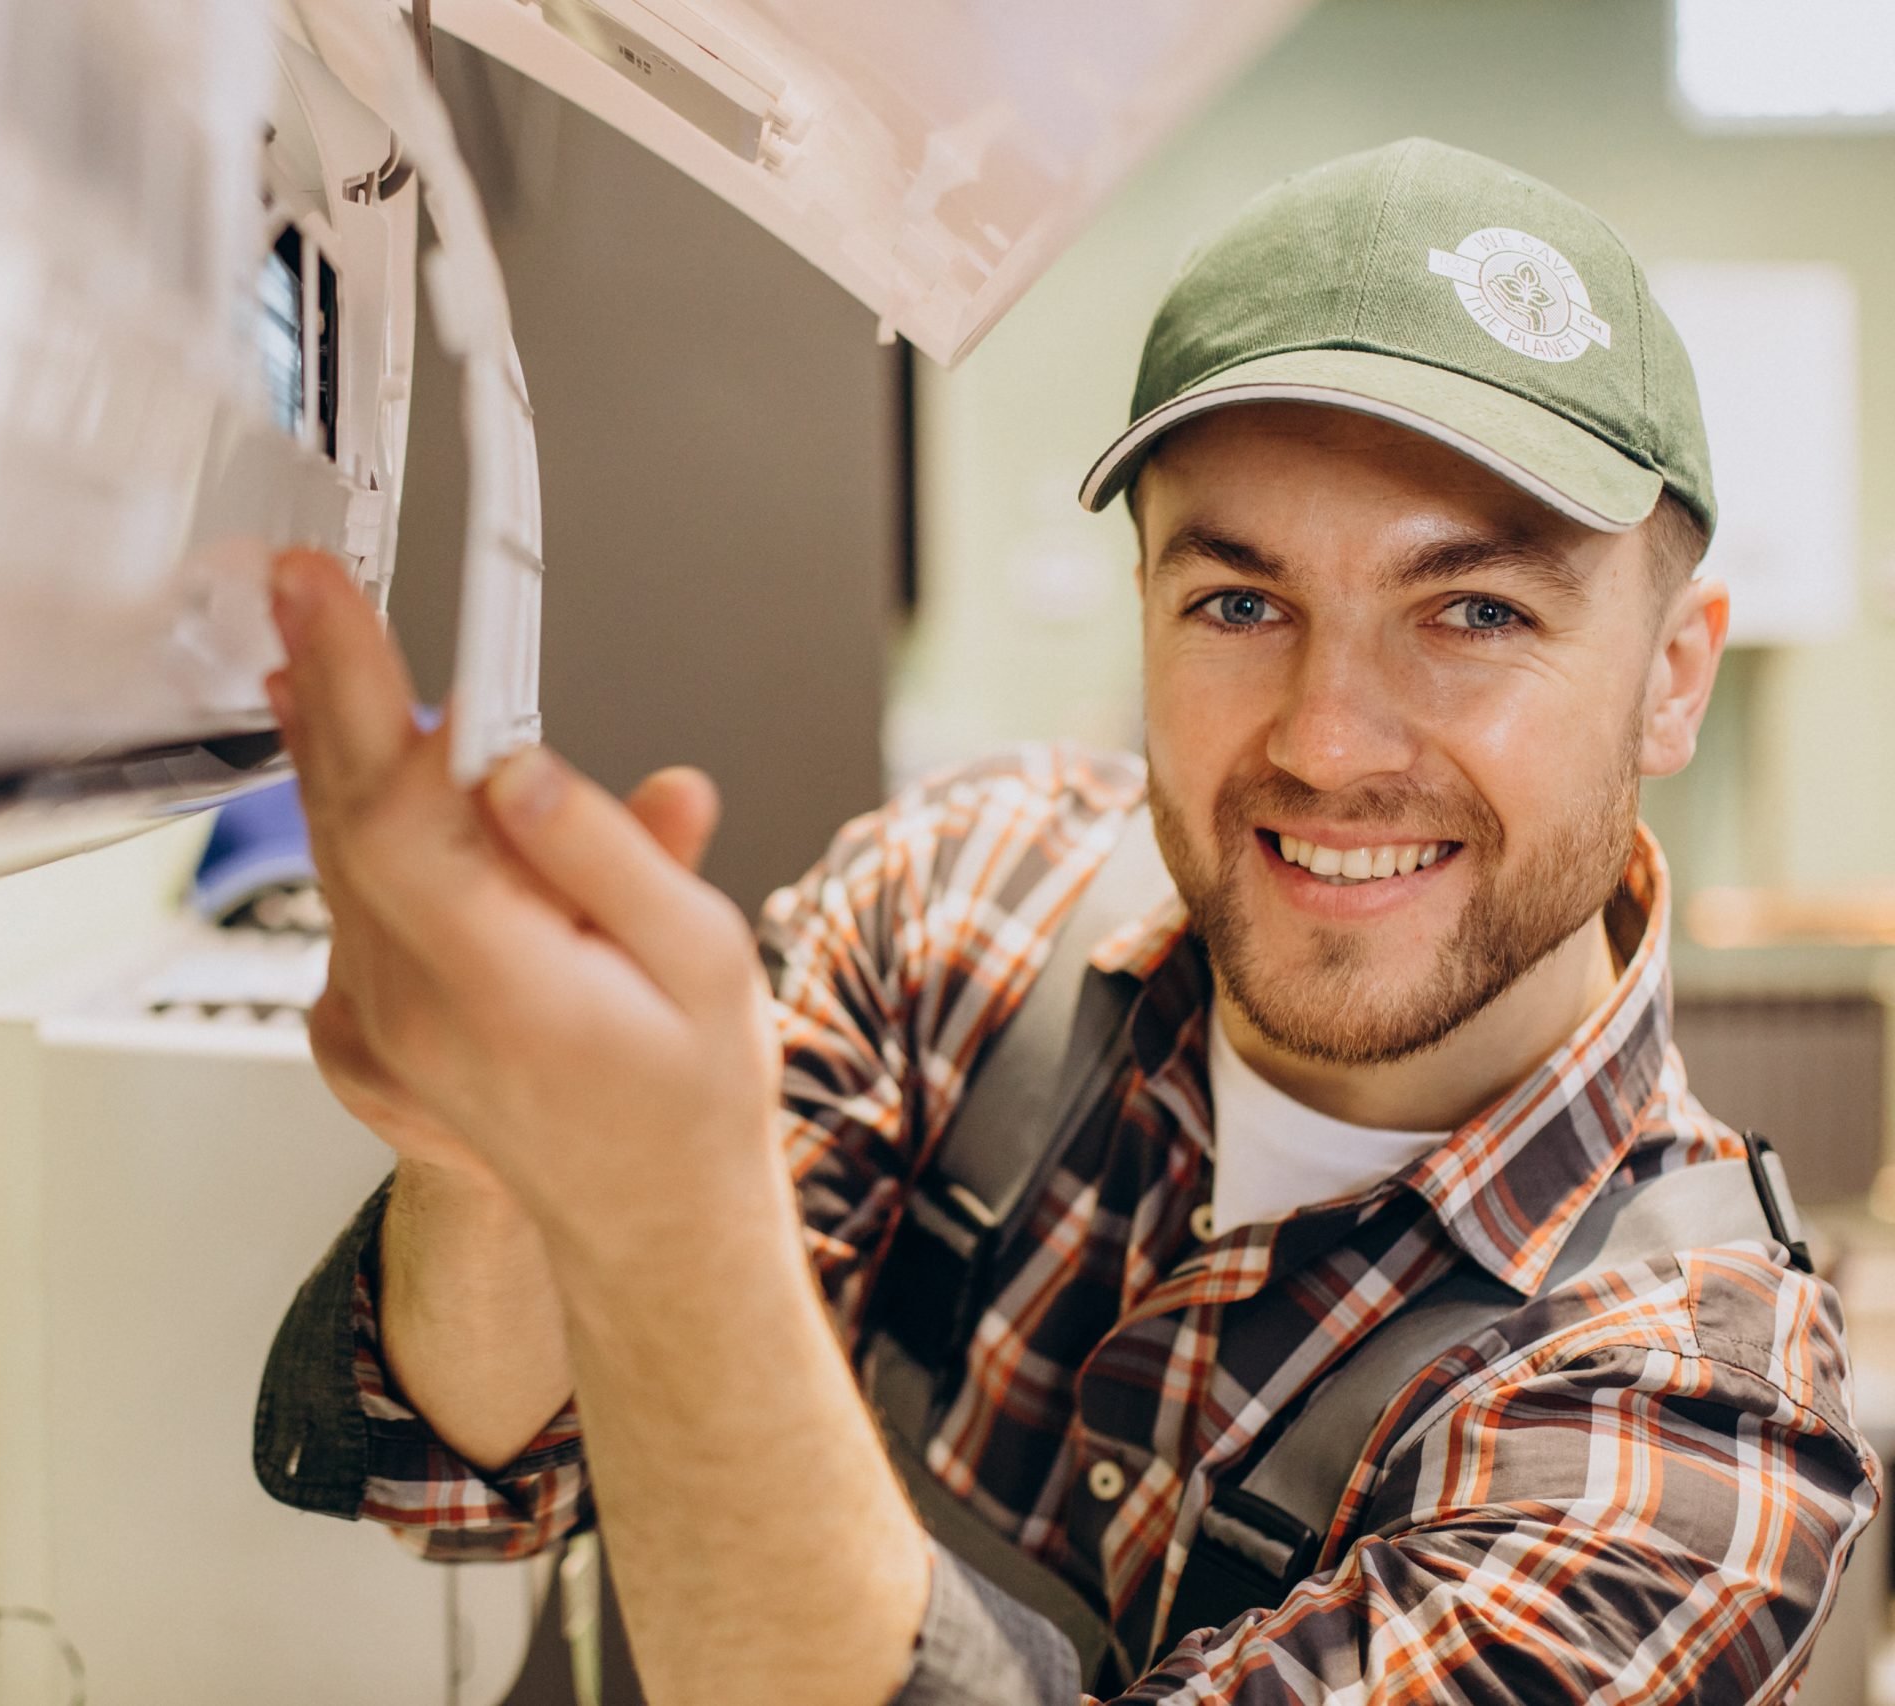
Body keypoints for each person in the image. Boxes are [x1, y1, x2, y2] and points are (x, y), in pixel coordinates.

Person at [249, 139, 1881, 1703]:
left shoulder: (1691, 1432)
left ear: (1673, 675)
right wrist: (493, 1155)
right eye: (1239, 603)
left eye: (1474, 612)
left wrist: (666, 1213)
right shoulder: (965, 906)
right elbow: (465, 1465)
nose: (1325, 739)